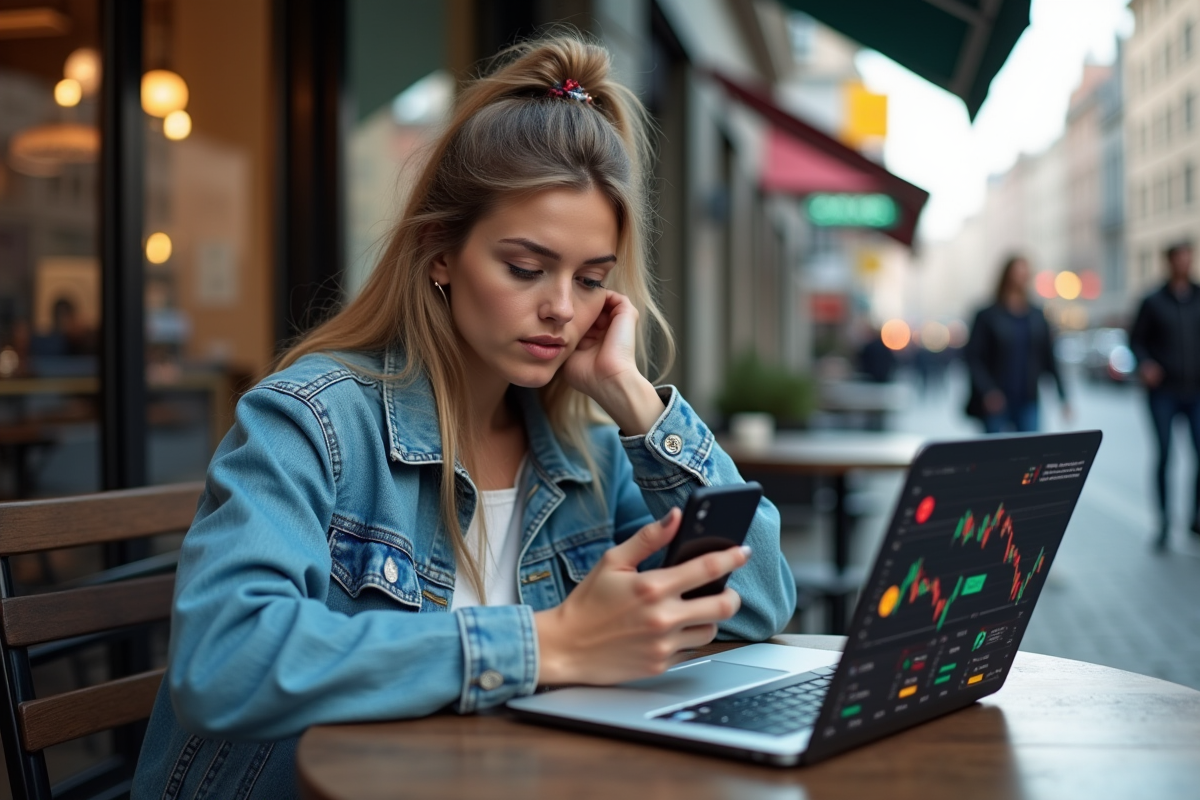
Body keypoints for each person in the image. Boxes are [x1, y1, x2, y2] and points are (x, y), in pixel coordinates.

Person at [132, 36, 795, 798]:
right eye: (525, 268)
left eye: (590, 280)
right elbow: (225, 663)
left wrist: (635, 398)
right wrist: (549, 643)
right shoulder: (314, 422)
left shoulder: (586, 453)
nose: (561, 308)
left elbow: (761, 603)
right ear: (438, 253)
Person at [1129, 241, 1200, 548]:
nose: (1184, 263)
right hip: (1163, 393)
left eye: (1188, 258)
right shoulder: (1152, 301)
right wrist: (1146, 364)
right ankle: (1163, 523)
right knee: (1164, 456)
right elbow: (1135, 342)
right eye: (1178, 259)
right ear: (1169, 262)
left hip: (1197, 391)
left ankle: (1195, 519)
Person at [965, 255, 1071, 433]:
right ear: (1007, 275)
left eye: (1025, 273)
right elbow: (973, 358)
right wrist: (988, 391)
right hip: (997, 400)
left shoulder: (1037, 316)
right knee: (995, 457)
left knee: (1029, 455)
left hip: (1028, 399)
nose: (1022, 277)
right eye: (1017, 272)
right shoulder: (987, 315)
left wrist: (1063, 397)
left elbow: (1049, 358)